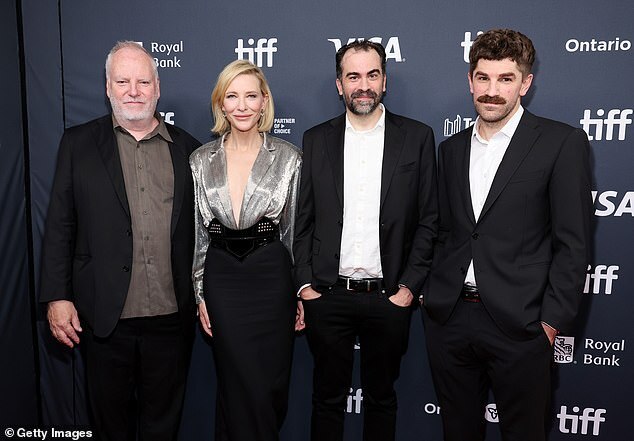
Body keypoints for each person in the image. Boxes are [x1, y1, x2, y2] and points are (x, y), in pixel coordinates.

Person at [422, 29, 592, 441]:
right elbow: (446, 230)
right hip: (451, 319)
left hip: (522, 325)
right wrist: (433, 294)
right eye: (483, 78)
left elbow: (573, 244)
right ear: (470, 80)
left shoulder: (560, 142)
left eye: (505, 79)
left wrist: (550, 323)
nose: (492, 91)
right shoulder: (451, 148)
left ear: (526, 83)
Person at [40, 41, 200, 441]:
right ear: (107, 87)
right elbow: (60, 224)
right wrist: (57, 297)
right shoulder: (77, 144)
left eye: (143, 81)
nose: (134, 90)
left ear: (157, 87)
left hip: (171, 317)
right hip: (104, 318)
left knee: (164, 425)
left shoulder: (190, 150)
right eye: (123, 81)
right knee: (110, 426)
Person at [294, 40, 438, 441]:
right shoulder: (315, 139)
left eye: (372, 75)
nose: (363, 85)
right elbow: (301, 219)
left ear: (385, 81)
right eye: (353, 76)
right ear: (339, 84)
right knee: (326, 399)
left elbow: (429, 220)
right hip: (328, 295)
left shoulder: (417, 137)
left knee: (382, 399)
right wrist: (305, 285)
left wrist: (408, 289)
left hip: (389, 297)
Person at [190, 59, 302, 441]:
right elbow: (199, 235)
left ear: (264, 101)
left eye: (250, 96)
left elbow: (293, 233)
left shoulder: (288, 158)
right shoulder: (200, 161)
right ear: (221, 104)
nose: (241, 105)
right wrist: (200, 292)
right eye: (232, 96)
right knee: (238, 382)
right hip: (223, 281)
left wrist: (298, 288)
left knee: (268, 386)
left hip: (272, 279)